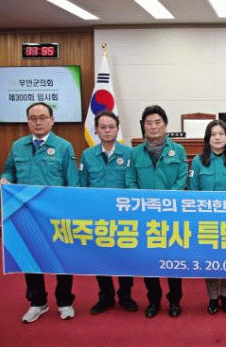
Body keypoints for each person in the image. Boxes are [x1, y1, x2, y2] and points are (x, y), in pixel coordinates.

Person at [0, 102, 79, 323]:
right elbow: (9, 171)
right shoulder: (18, 146)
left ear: (52, 120)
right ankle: (37, 302)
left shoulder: (64, 147)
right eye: (33, 118)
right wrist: (5, 179)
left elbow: (72, 183)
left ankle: (64, 301)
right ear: (28, 122)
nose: (38, 122)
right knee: (30, 257)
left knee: (61, 257)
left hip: (56, 214)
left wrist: (71, 213)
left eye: (43, 117)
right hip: (26, 213)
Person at [126, 105, 188, 318]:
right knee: (149, 260)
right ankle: (153, 300)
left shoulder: (178, 150)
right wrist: (142, 203)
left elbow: (182, 179)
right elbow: (131, 181)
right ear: (143, 126)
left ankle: (175, 300)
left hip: (171, 215)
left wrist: (167, 202)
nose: (153, 127)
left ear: (165, 125)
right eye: (149, 123)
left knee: (173, 260)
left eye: (157, 122)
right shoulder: (135, 153)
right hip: (145, 216)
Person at [79, 110, 138, 315]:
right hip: (97, 217)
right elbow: (83, 186)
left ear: (117, 129)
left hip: (123, 217)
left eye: (111, 127)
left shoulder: (129, 153)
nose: (107, 130)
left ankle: (125, 295)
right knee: (100, 257)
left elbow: (133, 183)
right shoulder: (87, 155)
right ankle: (105, 295)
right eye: (102, 127)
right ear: (96, 130)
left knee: (125, 258)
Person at [188, 120, 226, 314]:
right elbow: (193, 192)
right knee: (210, 260)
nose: (218, 138)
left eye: (221, 134)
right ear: (208, 138)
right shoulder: (198, 161)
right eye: (213, 134)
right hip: (207, 222)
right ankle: (213, 296)